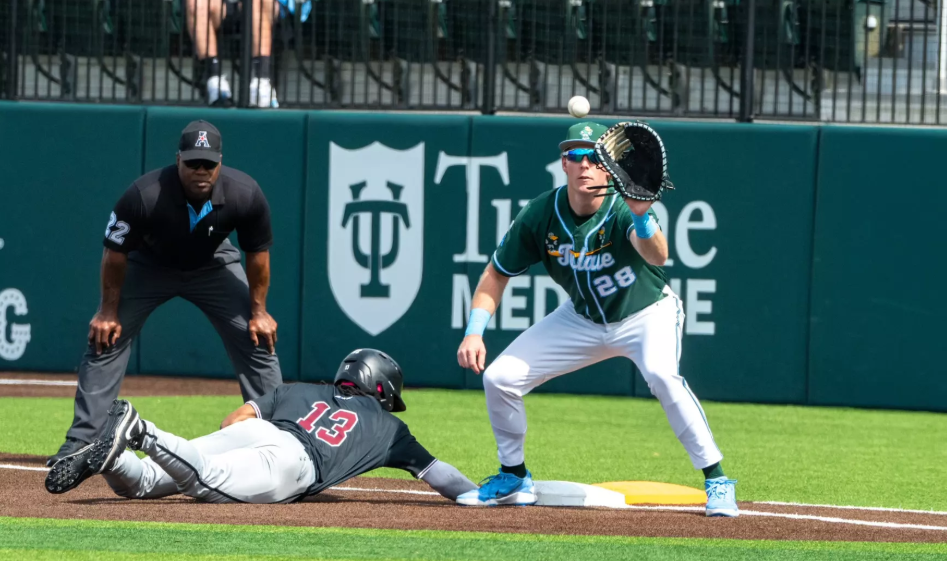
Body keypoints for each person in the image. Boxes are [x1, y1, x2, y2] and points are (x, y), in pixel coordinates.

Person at [454, 122, 739, 517]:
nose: (584, 164)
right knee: (500, 378)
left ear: (608, 166)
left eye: (594, 156)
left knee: (662, 375)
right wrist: (474, 332)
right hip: (582, 319)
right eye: (575, 156)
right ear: (563, 164)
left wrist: (642, 215)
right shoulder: (541, 213)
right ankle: (515, 477)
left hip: (646, 313)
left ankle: (717, 480)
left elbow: (658, 256)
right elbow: (496, 273)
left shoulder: (625, 205)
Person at [47, 120, 283, 468]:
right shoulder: (146, 194)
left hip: (213, 265)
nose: (201, 171)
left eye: (208, 164)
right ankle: (84, 441)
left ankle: (280, 437)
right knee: (105, 337)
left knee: (257, 336)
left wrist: (259, 310)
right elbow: (115, 253)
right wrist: (108, 310)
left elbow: (258, 255)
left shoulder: (244, 193)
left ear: (220, 162)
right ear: (178, 161)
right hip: (150, 265)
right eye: (193, 163)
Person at [45, 349, 479, 505]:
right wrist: (477, 494)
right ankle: (142, 432)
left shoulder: (297, 389)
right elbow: (438, 475)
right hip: (294, 463)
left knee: (144, 484)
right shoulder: (389, 429)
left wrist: (243, 445)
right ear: (381, 389)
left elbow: (233, 421)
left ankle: (114, 457)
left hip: (259, 433)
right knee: (203, 483)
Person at [183, 0, 310, 108]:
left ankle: (262, 81)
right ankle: (214, 81)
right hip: (227, 7)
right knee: (195, 2)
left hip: (273, 7)